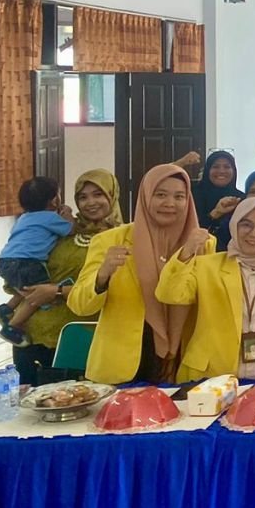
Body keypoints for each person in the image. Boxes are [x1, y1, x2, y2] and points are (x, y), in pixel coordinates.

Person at [69, 164, 213, 383]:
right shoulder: (110, 241)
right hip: (125, 362)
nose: (170, 203)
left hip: (183, 357)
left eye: (179, 196)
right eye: (160, 195)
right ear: (145, 197)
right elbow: (79, 305)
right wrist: (102, 276)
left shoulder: (203, 244)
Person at [156, 197, 255, 383]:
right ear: (234, 226)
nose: (254, 233)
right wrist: (186, 252)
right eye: (246, 224)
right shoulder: (206, 266)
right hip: (211, 377)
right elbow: (170, 294)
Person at [7, 171, 120, 384]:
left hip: (81, 339)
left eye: (98, 194)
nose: (90, 202)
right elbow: (20, 261)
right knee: (33, 400)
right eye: (83, 197)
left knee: (81, 400)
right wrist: (23, 291)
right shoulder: (59, 228)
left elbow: (119, 288)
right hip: (32, 337)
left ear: (112, 195)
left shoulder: (122, 237)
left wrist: (56, 292)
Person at [0, 178, 74, 346]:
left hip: (5, 260)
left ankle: (7, 308)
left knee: (26, 287)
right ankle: (12, 326)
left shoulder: (24, 217)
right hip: (26, 262)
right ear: (54, 200)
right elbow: (71, 229)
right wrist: (67, 214)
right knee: (39, 294)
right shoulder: (50, 217)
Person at [192, 151, 243, 247]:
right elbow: (189, 230)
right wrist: (215, 213)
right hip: (199, 252)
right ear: (207, 170)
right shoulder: (193, 196)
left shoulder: (240, 199)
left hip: (233, 253)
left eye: (227, 167)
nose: (221, 171)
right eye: (215, 167)